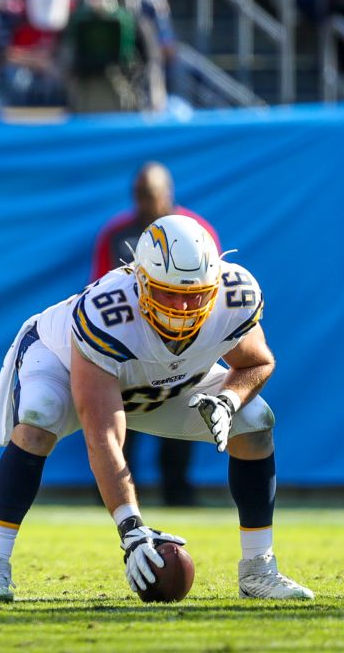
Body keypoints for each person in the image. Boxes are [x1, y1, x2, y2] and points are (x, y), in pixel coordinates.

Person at [0, 215, 315, 603]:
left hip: (158, 382)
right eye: (168, 294)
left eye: (196, 295)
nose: (182, 308)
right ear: (141, 281)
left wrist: (228, 401)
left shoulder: (234, 296)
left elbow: (257, 362)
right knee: (40, 417)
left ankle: (258, 569)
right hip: (62, 362)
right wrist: (131, 529)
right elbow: (103, 435)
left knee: (255, 420)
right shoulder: (108, 314)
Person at [91, 162, 219, 507]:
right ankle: (116, 494)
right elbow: (101, 289)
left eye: (150, 195)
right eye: (139, 196)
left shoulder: (196, 231)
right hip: (130, 344)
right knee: (119, 420)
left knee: (182, 416)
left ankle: (177, 490)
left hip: (180, 342)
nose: (144, 203)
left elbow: (210, 288)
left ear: (167, 194)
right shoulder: (116, 233)